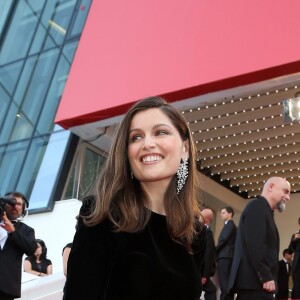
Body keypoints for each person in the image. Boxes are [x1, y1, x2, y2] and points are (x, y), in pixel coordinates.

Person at [63, 96, 205, 300]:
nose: (147, 143)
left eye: (161, 132)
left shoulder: (196, 234)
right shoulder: (104, 215)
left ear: (185, 148)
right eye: (136, 137)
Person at [228, 177, 291, 300]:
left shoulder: (264, 210)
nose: (288, 197)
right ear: (271, 187)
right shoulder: (257, 207)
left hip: (257, 285)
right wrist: (265, 276)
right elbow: (255, 244)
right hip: (254, 285)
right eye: (285, 191)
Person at [0, 191, 37, 300]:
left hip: (7, 288)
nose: (14, 206)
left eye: (19, 204)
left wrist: (13, 231)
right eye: (11, 202)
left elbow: (31, 249)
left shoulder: (26, 230)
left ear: (23, 208)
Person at [216, 206, 237, 300]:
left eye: (223, 212)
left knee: (224, 285)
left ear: (230, 214)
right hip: (227, 256)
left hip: (225, 256)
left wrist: (214, 250)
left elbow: (223, 240)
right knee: (226, 285)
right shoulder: (229, 225)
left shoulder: (230, 225)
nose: (221, 214)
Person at [200, 208, 217, 300]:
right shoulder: (207, 232)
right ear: (209, 218)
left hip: (194, 269)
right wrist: (205, 275)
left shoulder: (194, 228)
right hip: (201, 272)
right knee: (212, 290)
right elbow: (208, 255)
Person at [288, 217, 300, 299]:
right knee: (297, 287)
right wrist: (294, 240)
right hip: (298, 265)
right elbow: (289, 251)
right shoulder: (295, 235)